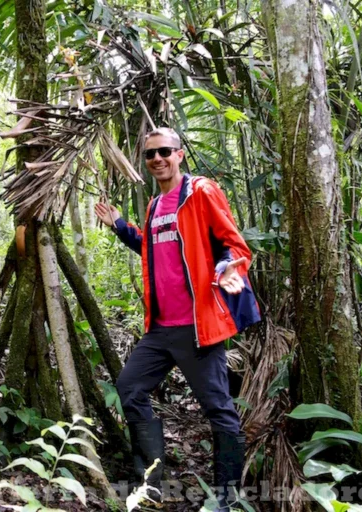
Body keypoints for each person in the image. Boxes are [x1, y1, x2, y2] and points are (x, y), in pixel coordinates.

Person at [94, 127, 260, 510]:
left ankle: (227, 497)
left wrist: (227, 269)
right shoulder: (154, 206)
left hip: (198, 328)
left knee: (218, 408)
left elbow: (234, 245)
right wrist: (120, 225)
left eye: (165, 151)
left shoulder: (201, 192)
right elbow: (152, 249)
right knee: (130, 387)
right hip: (159, 329)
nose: (157, 159)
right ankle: (152, 483)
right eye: (151, 154)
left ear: (180, 154)